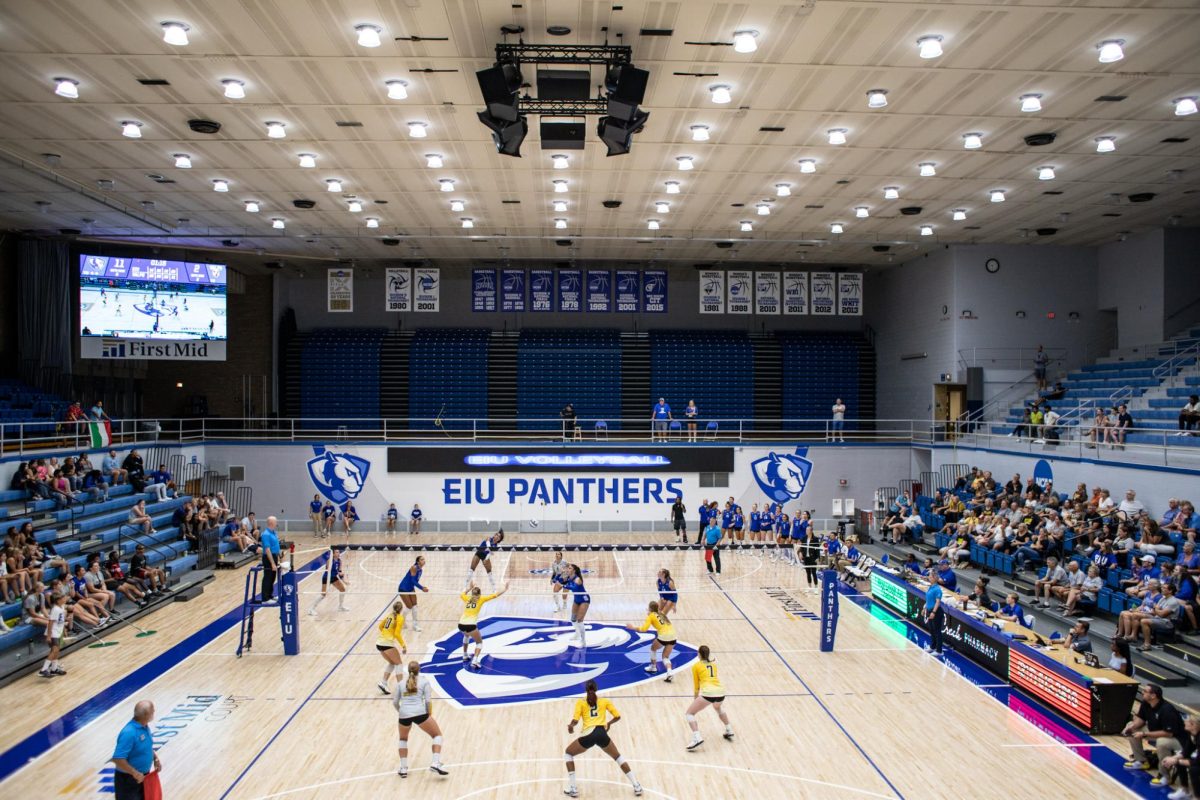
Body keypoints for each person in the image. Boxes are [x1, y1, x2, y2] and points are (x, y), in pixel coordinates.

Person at [563, 680, 643, 798]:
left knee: (568, 753)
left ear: (586, 689)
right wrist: (609, 723)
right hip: (601, 733)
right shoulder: (604, 701)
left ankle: (573, 788)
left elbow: (575, 720)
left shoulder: (580, 702)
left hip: (588, 734)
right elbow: (617, 716)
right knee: (618, 757)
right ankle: (636, 786)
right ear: (596, 689)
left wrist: (571, 726)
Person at [393, 661, 448, 778]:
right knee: (437, 735)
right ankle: (435, 762)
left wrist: (401, 711)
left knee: (403, 739)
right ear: (419, 669)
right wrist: (428, 714)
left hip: (404, 714)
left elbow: (395, 702)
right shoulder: (424, 681)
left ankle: (403, 769)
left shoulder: (401, 683)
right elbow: (428, 701)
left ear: (408, 670)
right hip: (420, 713)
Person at [1124, 683, 1187, 784]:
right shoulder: (1146, 703)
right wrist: (1132, 726)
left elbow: (1168, 733)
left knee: (1162, 742)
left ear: (1153, 696)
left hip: (1178, 739)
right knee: (1133, 728)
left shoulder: (1167, 710)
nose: (1142, 692)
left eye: (1145, 691)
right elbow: (1141, 719)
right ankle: (1141, 761)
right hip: (1156, 732)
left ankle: (1165, 776)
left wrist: (1144, 734)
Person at [686, 644, 734, 750]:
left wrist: (695, 698)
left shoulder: (696, 666)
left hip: (709, 693)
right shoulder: (713, 665)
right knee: (718, 707)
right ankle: (729, 729)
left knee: (689, 714)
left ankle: (697, 737)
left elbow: (696, 685)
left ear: (699, 654)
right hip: (720, 692)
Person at [111, 700, 161, 800]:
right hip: (128, 780)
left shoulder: (144, 726)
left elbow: (146, 747)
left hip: (143, 777)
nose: (154, 712)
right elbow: (118, 758)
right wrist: (135, 773)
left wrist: (155, 758)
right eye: (152, 711)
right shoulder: (129, 732)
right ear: (146, 715)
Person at [459, 582, 509, 670]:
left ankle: (465, 655)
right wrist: (505, 589)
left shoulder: (467, 598)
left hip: (461, 624)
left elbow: (462, 594)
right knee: (479, 643)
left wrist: (469, 588)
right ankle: (474, 661)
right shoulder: (481, 599)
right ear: (479, 594)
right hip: (471, 625)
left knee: (466, 636)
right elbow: (495, 595)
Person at [628, 600, 676, 679]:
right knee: (665, 657)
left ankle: (653, 667)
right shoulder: (662, 613)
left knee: (653, 648)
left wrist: (633, 627)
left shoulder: (650, 616)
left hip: (664, 636)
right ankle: (669, 672)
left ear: (650, 608)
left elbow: (644, 629)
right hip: (673, 636)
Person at [376, 600, 407, 695]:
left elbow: (380, 626)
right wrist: (403, 645)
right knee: (399, 664)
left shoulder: (390, 615)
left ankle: (383, 683)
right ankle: (401, 688)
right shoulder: (400, 618)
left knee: (392, 663)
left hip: (379, 643)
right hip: (387, 643)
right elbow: (397, 634)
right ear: (401, 609)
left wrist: (387, 634)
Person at [309, 547, 348, 615]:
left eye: (339, 552)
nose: (338, 553)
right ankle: (311, 609)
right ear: (333, 554)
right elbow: (331, 571)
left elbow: (340, 571)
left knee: (342, 589)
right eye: (337, 552)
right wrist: (339, 574)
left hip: (334, 577)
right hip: (327, 577)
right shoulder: (329, 561)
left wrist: (344, 580)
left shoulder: (339, 561)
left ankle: (340, 606)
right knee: (323, 595)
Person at [39, 592, 69, 678]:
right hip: (53, 633)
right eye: (63, 598)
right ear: (58, 600)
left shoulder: (62, 607)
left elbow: (60, 620)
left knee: (57, 650)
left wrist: (64, 629)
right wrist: (49, 636)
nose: (65, 599)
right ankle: (43, 670)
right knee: (54, 650)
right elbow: (50, 622)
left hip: (58, 632)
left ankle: (54, 669)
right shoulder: (55, 609)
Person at [397, 555, 429, 631]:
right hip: (403, 588)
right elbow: (413, 581)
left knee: (415, 606)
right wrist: (422, 588)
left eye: (424, 559)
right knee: (409, 607)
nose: (424, 560)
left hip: (411, 588)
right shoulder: (414, 568)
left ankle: (415, 625)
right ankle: (401, 622)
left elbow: (414, 581)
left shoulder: (420, 570)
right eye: (422, 559)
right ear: (418, 561)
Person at [563, 564, 591, 647]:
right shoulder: (569, 578)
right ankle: (577, 634)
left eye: (570, 568)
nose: (568, 569)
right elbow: (563, 582)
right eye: (567, 568)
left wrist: (565, 585)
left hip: (584, 600)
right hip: (576, 599)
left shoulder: (578, 579)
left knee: (579, 620)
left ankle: (583, 641)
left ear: (574, 570)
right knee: (573, 619)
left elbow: (574, 588)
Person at [259, 516, 281, 602]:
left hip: (274, 556)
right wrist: (272, 563)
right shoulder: (265, 534)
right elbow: (267, 550)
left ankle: (270, 595)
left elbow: (276, 545)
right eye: (276, 522)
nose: (277, 523)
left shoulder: (274, 532)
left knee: (272, 577)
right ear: (271, 523)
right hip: (268, 558)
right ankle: (265, 598)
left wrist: (279, 555)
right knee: (268, 577)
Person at [924, 573, 944, 656]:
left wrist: (933, 612)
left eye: (930, 577)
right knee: (932, 629)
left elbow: (937, 602)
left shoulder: (937, 589)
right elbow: (928, 599)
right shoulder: (930, 587)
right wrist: (924, 608)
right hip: (929, 610)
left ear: (935, 578)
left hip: (936, 612)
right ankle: (932, 646)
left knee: (937, 631)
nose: (929, 578)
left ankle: (939, 650)